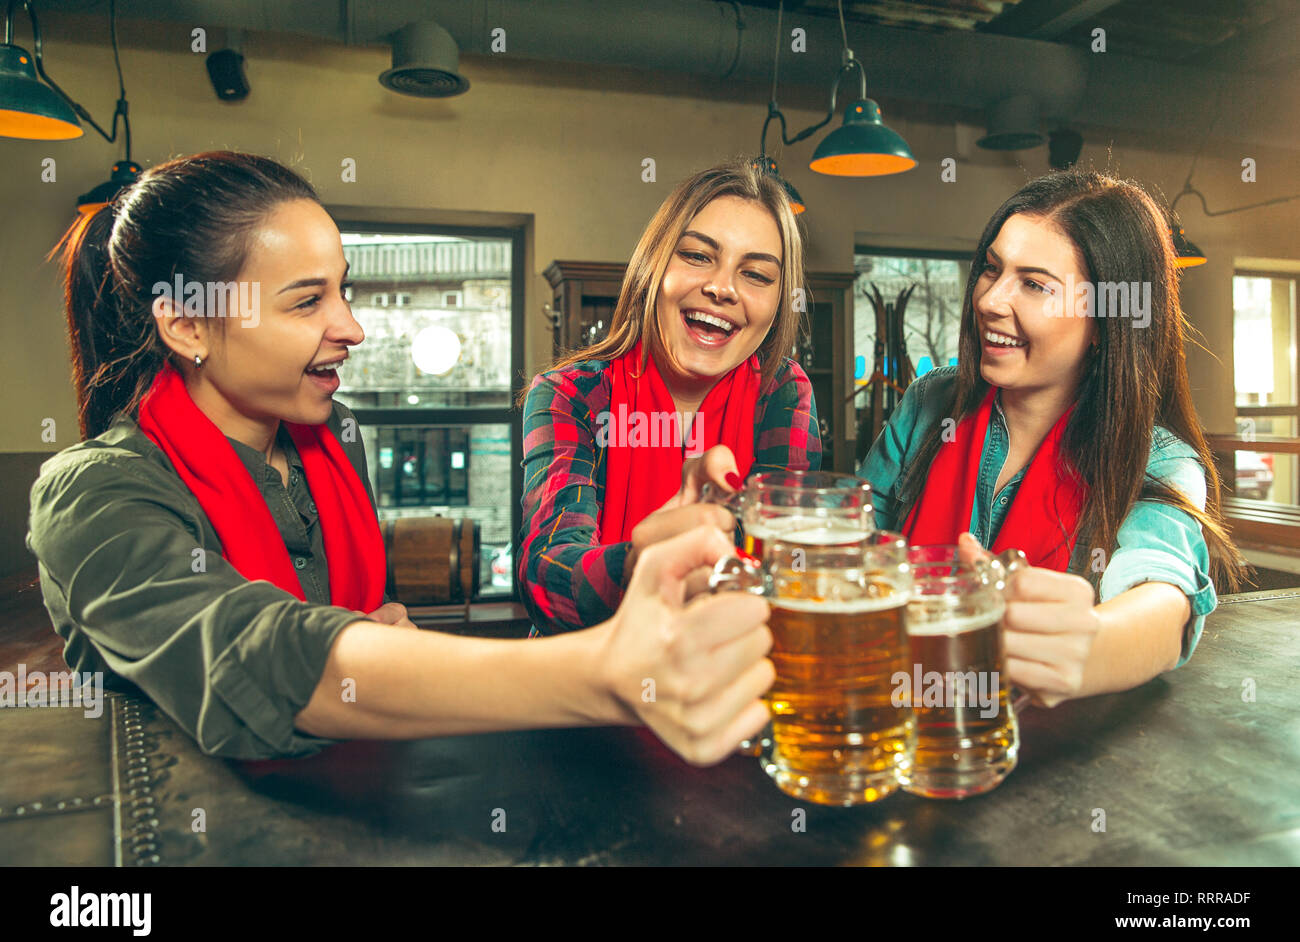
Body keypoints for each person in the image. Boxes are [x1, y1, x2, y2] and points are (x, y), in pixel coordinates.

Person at [26, 151, 775, 765]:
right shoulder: (94, 492)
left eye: (343, 292)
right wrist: (603, 675)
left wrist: (382, 634)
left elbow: (359, 628)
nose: (351, 327)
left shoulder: (334, 439)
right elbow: (254, 656)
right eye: (305, 302)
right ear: (188, 324)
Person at [860, 167, 1247, 708]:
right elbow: (851, 544)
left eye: (1035, 284)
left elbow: (1162, 596)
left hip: (1038, 752)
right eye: (991, 270)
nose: (991, 299)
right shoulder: (929, 404)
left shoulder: (1157, 460)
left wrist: (1090, 647)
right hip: (895, 720)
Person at [519, 159, 822, 636]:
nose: (721, 288)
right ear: (653, 266)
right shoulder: (570, 395)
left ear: (779, 302)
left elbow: (785, 562)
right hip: (586, 694)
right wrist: (644, 563)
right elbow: (547, 578)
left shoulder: (782, 392)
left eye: (757, 275)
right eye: (698, 256)